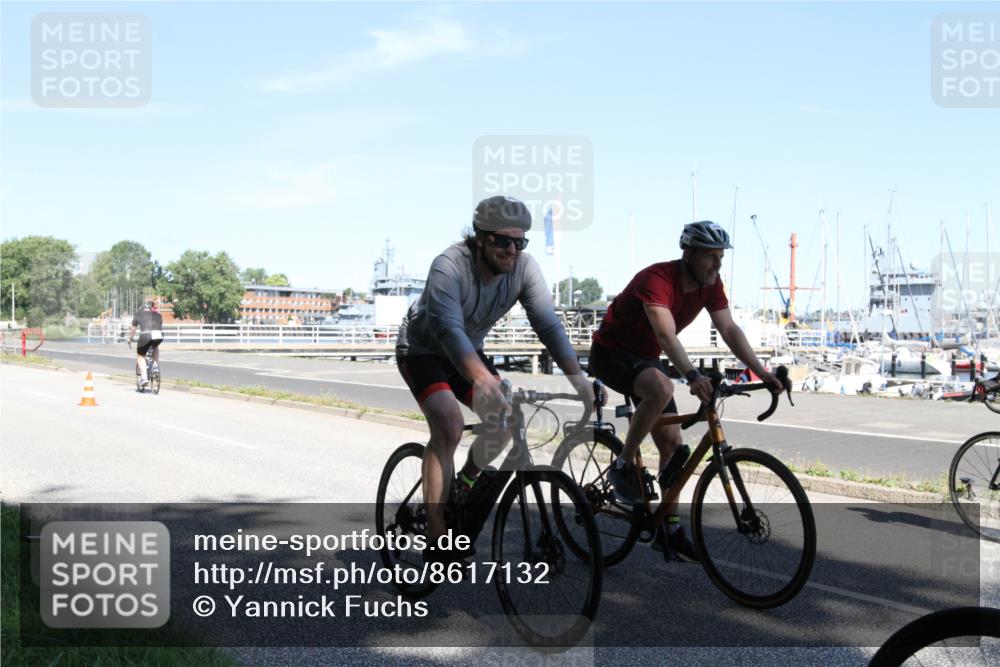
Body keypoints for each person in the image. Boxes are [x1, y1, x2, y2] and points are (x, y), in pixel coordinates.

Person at [396, 195, 596, 563]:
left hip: (468, 349)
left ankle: (463, 484)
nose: (512, 250)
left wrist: (577, 377)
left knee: (505, 420)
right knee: (449, 423)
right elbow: (448, 329)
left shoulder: (525, 268)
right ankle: (437, 530)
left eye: (520, 242)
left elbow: (547, 324)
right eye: (502, 241)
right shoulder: (449, 266)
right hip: (425, 348)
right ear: (480, 238)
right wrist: (484, 381)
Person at [589, 220, 783, 562]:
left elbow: (729, 329)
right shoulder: (657, 279)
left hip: (645, 358)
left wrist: (762, 372)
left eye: (721, 257)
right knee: (662, 386)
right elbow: (666, 336)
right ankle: (623, 465)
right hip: (611, 352)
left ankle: (670, 530)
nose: (717, 264)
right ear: (688, 253)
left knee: (673, 446)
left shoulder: (711, 284)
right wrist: (692, 375)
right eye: (711, 256)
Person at [128, 300, 163, 387]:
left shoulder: (138, 314)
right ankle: (155, 365)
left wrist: (130, 338)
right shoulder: (158, 315)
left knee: (140, 355)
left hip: (145, 335)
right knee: (155, 346)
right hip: (158, 334)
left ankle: (144, 378)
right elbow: (159, 325)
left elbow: (133, 329)